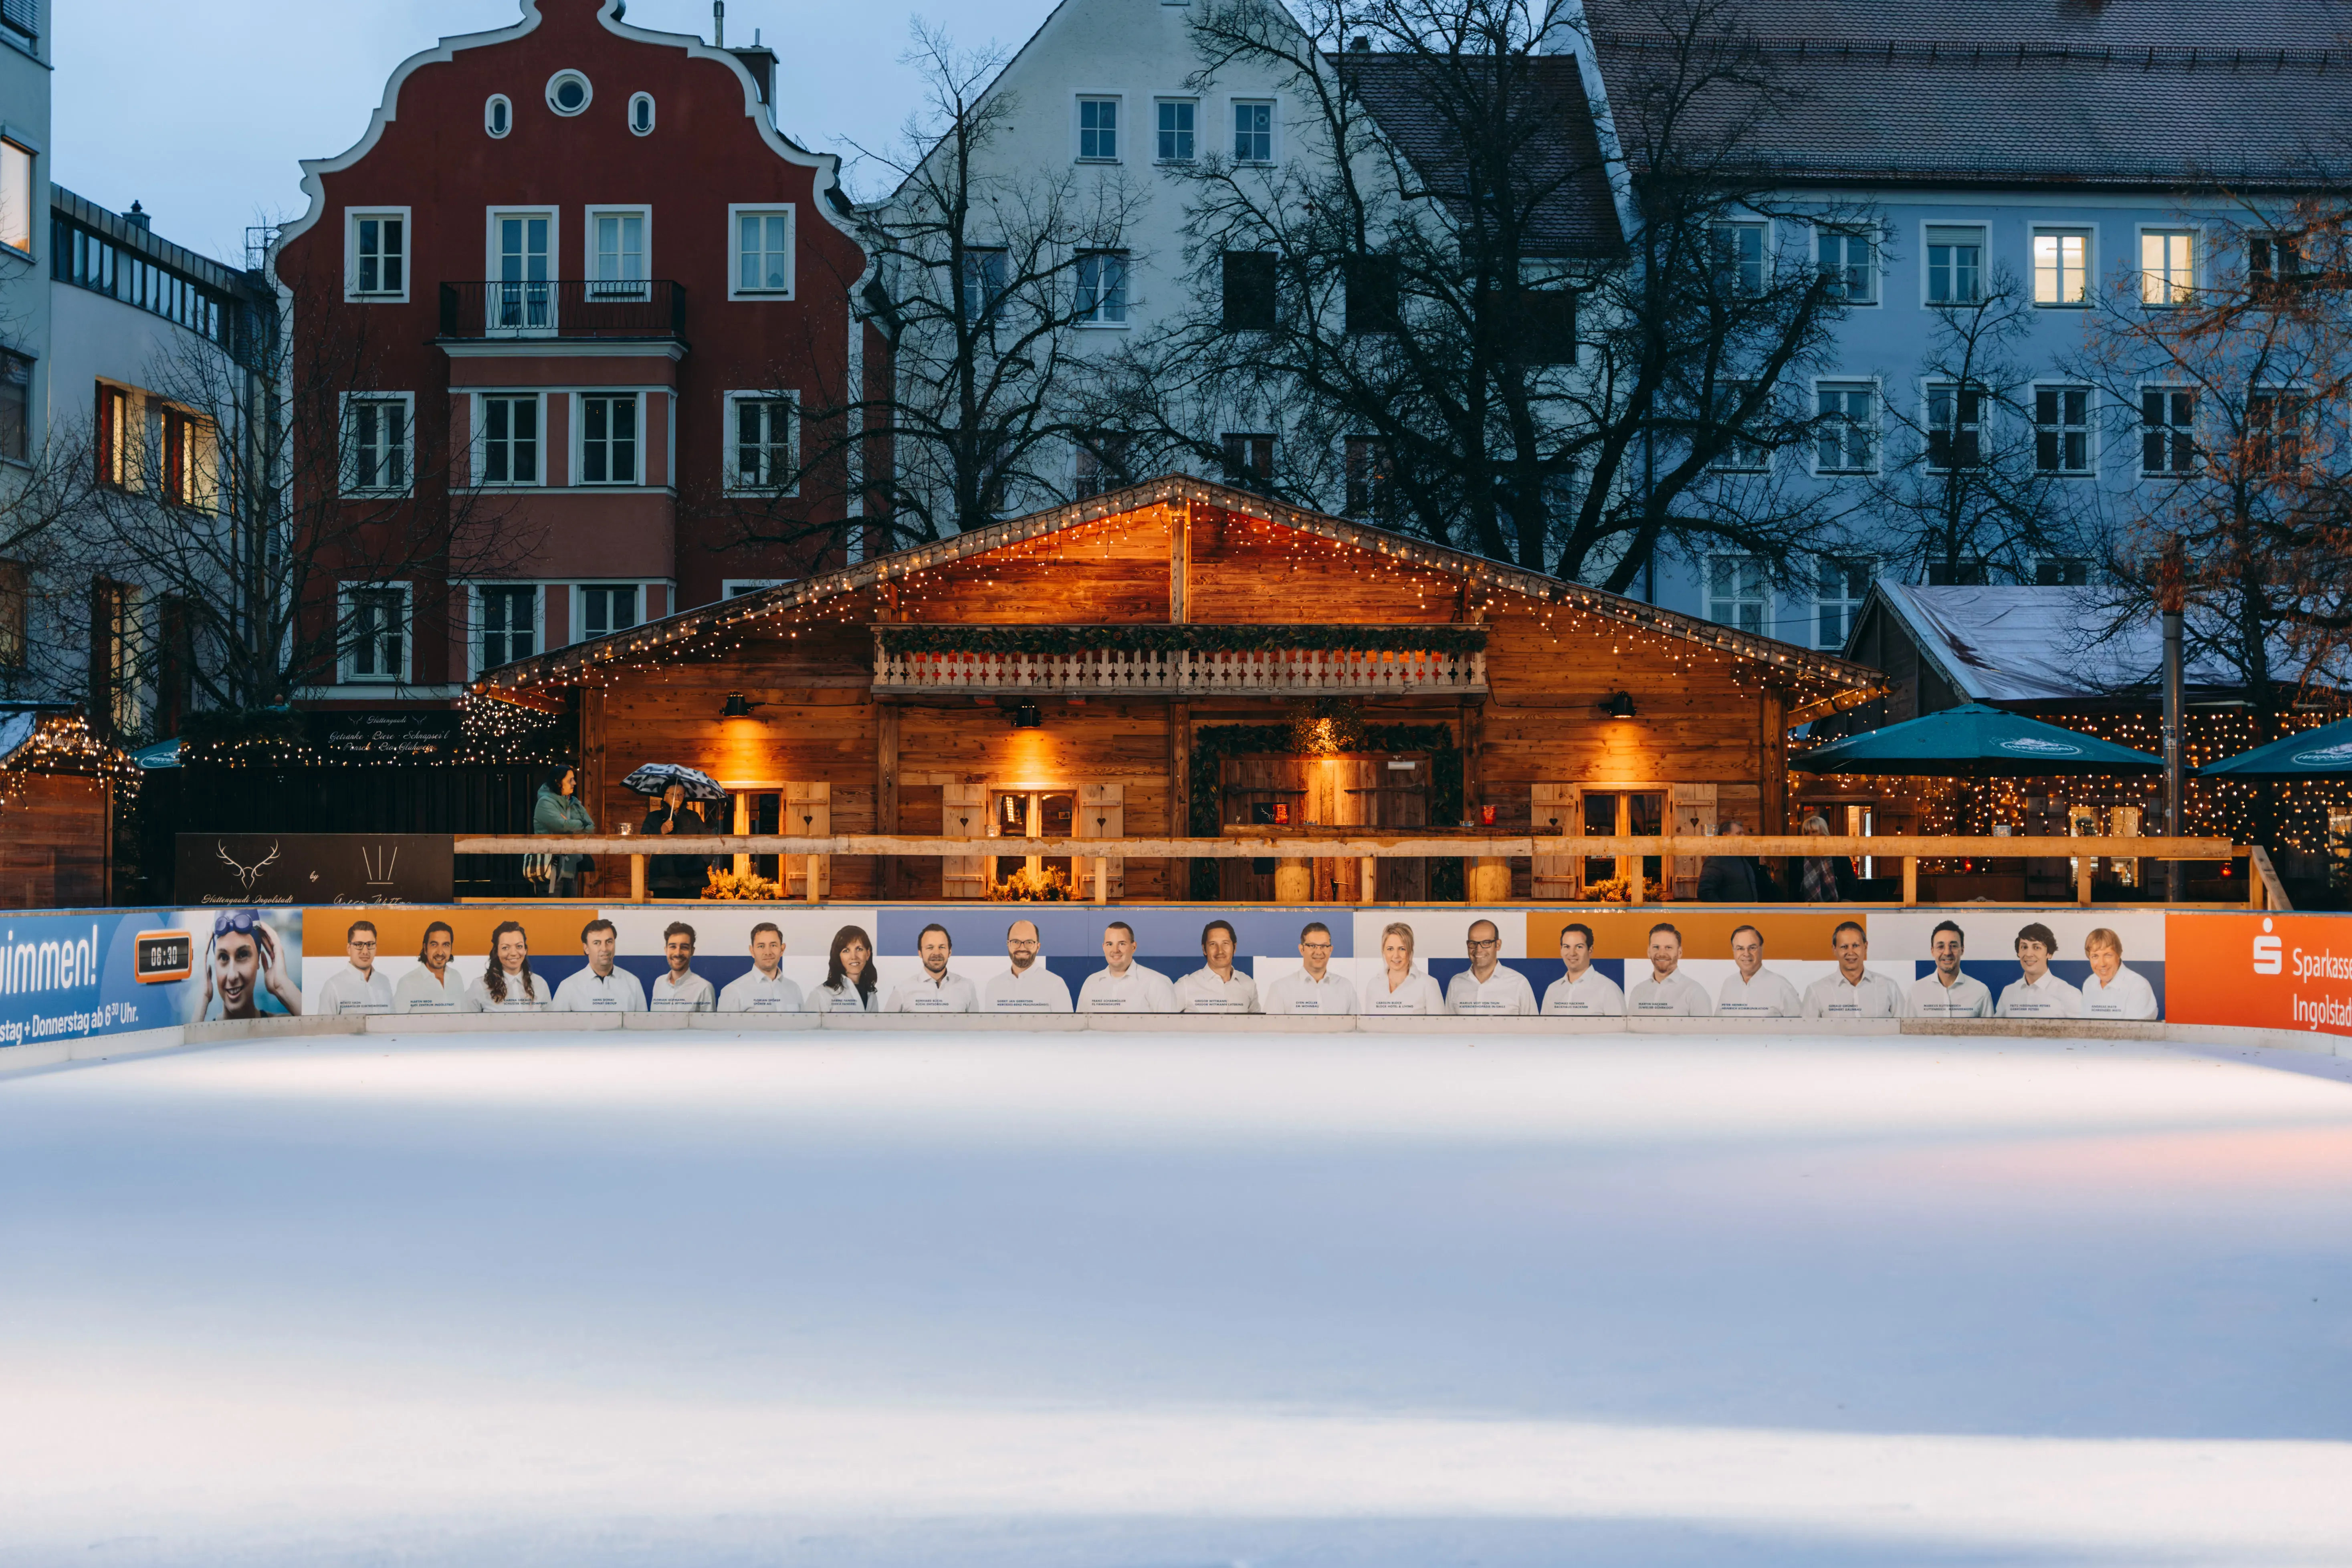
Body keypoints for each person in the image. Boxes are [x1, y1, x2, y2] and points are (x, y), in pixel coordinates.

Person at [197, 908, 304, 1021]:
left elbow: (322, 1029)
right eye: (224, 957)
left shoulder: (283, 1026)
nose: (232, 976)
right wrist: (202, 999)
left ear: (259, 958)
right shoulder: (204, 1033)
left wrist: (283, 986)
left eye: (243, 955)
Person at [1801, 921, 1911, 1018]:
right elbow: (1806, 1036)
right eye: (1844, 947)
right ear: (1834, 950)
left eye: (1856, 945)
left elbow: (1906, 1030)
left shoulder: (1889, 987)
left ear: (1866, 947)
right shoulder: (1816, 991)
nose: (1851, 952)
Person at [1075, 921, 1179, 1012]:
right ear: (1104, 947)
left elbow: (1171, 1031)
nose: (1115, 950)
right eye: (1110, 944)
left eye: (1122, 944)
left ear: (1134, 947)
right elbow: (1080, 1027)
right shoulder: (1091, 983)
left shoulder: (1158, 983)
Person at [1261, 922, 1360, 1014]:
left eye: (1324, 946)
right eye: (1312, 946)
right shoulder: (1280, 989)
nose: (1318, 952)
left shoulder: (1346, 987)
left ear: (1331, 949)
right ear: (1301, 949)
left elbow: (1358, 1029)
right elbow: (1270, 1031)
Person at [554, 917, 647, 1013]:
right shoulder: (568, 987)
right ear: (586, 948)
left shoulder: (633, 983)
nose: (605, 949)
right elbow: (555, 1026)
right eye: (597, 943)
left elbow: (644, 1025)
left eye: (609, 942)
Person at [1445, 919, 1537, 1015]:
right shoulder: (1456, 983)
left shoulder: (1519, 984)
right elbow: (1448, 1027)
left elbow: (1534, 1028)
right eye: (1473, 943)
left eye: (1486, 943)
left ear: (1498, 945)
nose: (1479, 950)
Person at [531, 764, 595, 898]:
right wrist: (580, 824)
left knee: (572, 911)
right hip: (550, 867)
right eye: (570, 780)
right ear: (558, 782)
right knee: (551, 913)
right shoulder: (545, 803)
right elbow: (562, 827)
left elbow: (590, 828)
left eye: (574, 779)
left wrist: (574, 826)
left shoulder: (574, 802)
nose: (574, 783)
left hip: (571, 867)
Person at [885, 923, 980, 1013]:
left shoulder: (967, 987)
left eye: (942, 947)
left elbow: (976, 1027)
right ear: (920, 953)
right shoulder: (902, 990)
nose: (937, 953)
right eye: (930, 948)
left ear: (950, 952)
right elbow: (885, 1027)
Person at [640, 780, 711, 900]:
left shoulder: (693, 818)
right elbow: (642, 844)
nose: (677, 798)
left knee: (691, 918)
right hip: (664, 880)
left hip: (692, 879)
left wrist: (702, 864)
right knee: (666, 917)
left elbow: (708, 842)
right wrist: (661, 831)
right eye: (673, 794)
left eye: (681, 794)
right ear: (664, 795)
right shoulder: (654, 817)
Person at [984, 918, 1074, 1012]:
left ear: (1038, 947)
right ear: (1008, 944)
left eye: (1029, 943)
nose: (1022, 948)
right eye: (1016, 942)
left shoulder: (1056, 985)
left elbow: (1067, 1026)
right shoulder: (994, 985)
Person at [1997, 922, 2085, 1018]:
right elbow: (1995, 1030)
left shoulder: (2069, 994)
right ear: (2018, 953)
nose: (2029, 954)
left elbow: (2083, 1032)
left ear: (2049, 954)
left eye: (2037, 947)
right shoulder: (2009, 992)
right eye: (2024, 947)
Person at [1909, 920, 1993, 1018]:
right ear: (1932, 951)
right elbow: (1906, 1033)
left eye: (1953, 946)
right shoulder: (1915, 992)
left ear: (1962, 950)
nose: (1947, 953)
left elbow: (1990, 1033)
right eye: (1941, 946)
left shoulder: (1981, 992)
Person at [1626, 923, 1712, 1016]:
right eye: (1656, 947)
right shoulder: (1638, 991)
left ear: (1680, 953)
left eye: (1669, 948)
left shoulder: (1695, 993)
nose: (1662, 953)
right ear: (1649, 952)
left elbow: (1704, 1030)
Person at [1361, 922, 1448, 1014]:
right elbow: (1369, 1026)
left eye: (1402, 949)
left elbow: (1439, 1027)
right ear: (1383, 950)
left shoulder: (1428, 985)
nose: (1396, 956)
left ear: (1410, 950)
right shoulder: (1373, 985)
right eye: (1390, 949)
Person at [395, 921, 480, 1013]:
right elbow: (395, 1022)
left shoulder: (456, 977)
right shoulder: (408, 983)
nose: (440, 952)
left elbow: (463, 1015)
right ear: (425, 948)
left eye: (446, 945)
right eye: (434, 945)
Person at [1174, 920, 1259, 1013]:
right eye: (1213, 944)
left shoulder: (1249, 984)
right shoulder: (1185, 985)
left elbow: (1257, 1024)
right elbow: (1162, 1023)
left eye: (1225, 944)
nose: (1220, 951)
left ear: (1235, 947)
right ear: (1204, 949)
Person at [1716, 924, 1801, 1016]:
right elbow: (1717, 1024)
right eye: (1740, 948)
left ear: (1762, 949)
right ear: (1734, 951)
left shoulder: (1782, 986)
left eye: (1752, 948)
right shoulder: (1729, 984)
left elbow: (1804, 1027)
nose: (1746, 954)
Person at [719, 921, 804, 1013]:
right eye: (761, 946)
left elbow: (803, 1025)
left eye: (773, 945)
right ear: (752, 951)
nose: (768, 952)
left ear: (782, 949)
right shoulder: (733, 991)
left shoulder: (794, 988)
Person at [314, 918, 394, 1015]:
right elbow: (325, 1028)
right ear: (349, 948)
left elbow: (393, 1023)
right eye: (359, 945)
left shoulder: (384, 981)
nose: (365, 951)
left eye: (370, 944)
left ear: (376, 948)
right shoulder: (333, 987)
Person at [1541, 922, 1624, 1015]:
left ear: (1590, 950)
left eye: (1579, 947)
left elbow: (1621, 1029)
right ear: (1561, 950)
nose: (1572, 953)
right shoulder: (1552, 990)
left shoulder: (1608, 989)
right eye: (1567, 947)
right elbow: (1544, 1028)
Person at [467, 920, 548, 1011]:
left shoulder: (540, 984)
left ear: (525, 950)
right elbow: (467, 1023)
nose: (513, 953)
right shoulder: (480, 986)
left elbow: (551, 1021)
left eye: (519, 946)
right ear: (497, 952)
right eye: (505, 948)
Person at [2080, 928, 2159, 1020]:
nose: (2102, 964)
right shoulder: (2089, 983)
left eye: (2108, 955)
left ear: (2119, 954)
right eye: (2095, 956)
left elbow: (2137, 1032)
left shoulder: (2139, 986)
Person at [649, 920, 717, 1012]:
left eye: (684, 947)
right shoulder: (659, 983)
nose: (678, 953)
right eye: (673, 947)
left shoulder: (704, 988)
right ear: (666, 950)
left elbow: (709, 1025)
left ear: (692, 951)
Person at [813, 924, 881, 1012]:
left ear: (868, 954)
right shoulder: (822, 994)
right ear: (838, 956)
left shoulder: (871, 994)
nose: (854, 957)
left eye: (859, 949)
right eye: (846, 951)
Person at [1696, 820, 1765, 903]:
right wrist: (1724, 912)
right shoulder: (1716, 860)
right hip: (1730, 915)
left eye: (1743, 833)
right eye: (1739, 834)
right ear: (1726, 836)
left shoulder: (1741, 859)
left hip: (1746, 914)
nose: (1744, 837)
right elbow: (1705, 892)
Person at [1795, 814, 1859, 902]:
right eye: (1807, 833)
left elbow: (1849, 880)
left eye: (1814, 832)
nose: (1810, 836)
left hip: (1837, 906)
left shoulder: (1838, 854)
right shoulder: (1798, 857)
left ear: (1823, 834)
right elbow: (1794, 885)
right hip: (1805, 907)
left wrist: (1847, 900)